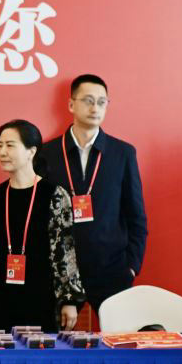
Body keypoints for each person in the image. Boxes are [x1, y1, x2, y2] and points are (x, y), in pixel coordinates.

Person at [0, 120, 85, 331]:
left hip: (41, 298)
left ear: (31, 151)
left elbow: (65, 251)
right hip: (1, 299)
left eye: (10, 145)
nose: (2, 152)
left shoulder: (54, 194)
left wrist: (70, 299)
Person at [33, 74, 147, 312]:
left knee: (116, 335)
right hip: (60, 272)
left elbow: (136, 215)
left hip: (111, 270)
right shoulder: (47, 154)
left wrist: (131, 266)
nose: (95, 108)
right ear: (71, 104)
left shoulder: (122, 153)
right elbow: (36, 214)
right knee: (56, 336)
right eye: (88, 101)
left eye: (102, 102)